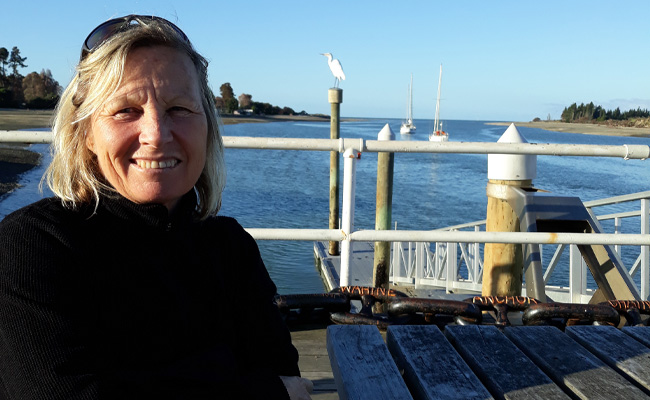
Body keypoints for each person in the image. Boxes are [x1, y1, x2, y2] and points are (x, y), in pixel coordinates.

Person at [0, 15, 312, 399]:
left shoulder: (230, 247)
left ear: (208, 128)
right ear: (85, 134)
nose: (157, 134)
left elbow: (281, 370)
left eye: (180, 109)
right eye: (125, 110)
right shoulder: (33, 247)